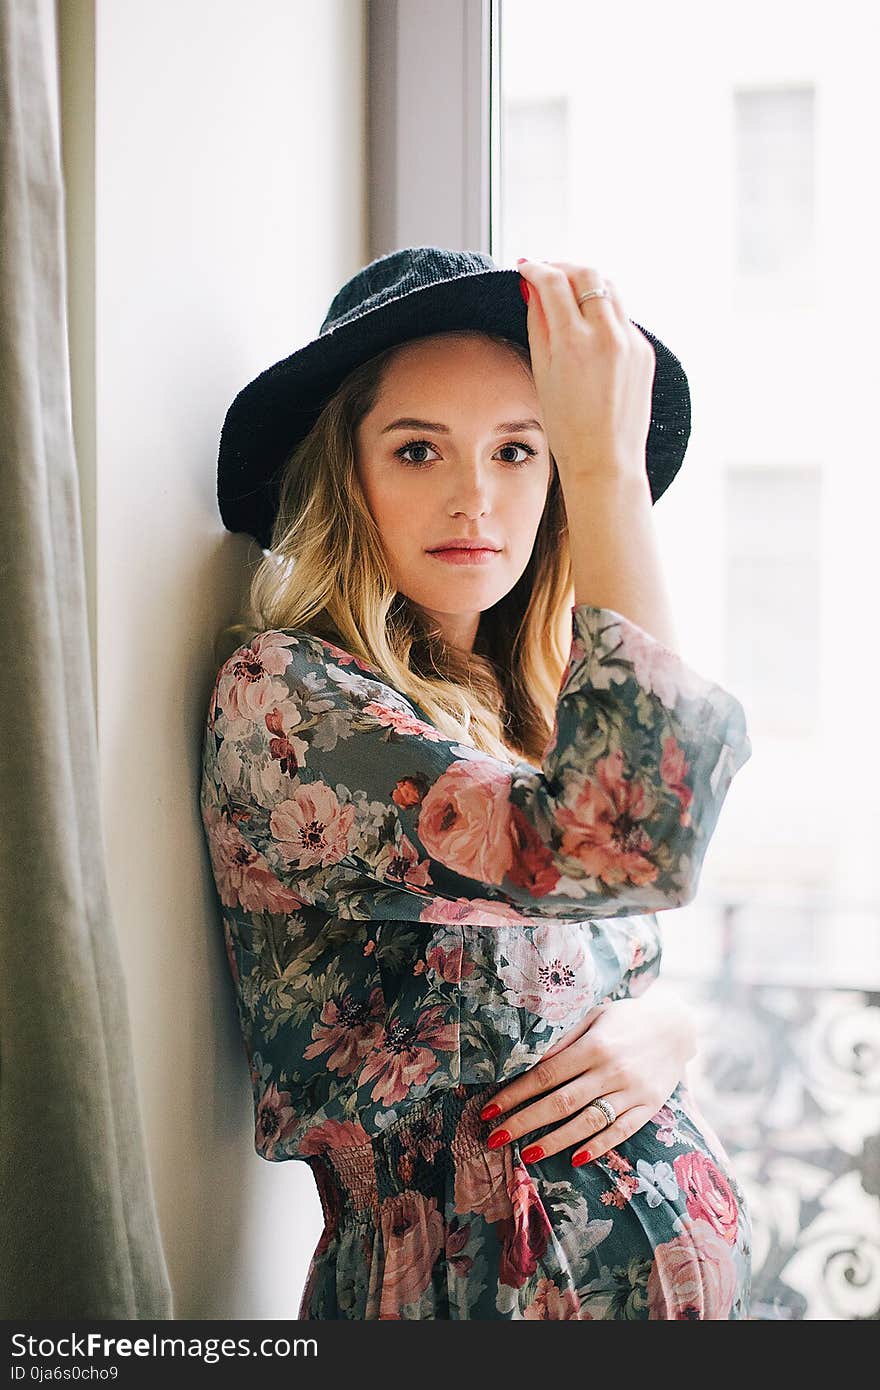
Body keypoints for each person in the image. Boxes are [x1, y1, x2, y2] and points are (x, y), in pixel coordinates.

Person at [200, 247, 753, 1319]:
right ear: (343, 472)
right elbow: (623, 842)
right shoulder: (286, 697)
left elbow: (585, 941)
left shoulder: (523, 709)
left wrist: (666, 1025)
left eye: (518, 450)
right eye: (418, 449)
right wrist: (607, 475)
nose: (474, 495)